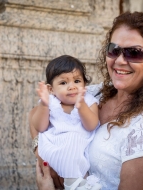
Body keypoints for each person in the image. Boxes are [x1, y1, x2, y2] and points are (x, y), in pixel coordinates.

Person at [30, 11, 143, 190]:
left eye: (134, 53)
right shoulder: (95, 92)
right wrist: (45, 156)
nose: (120, 61)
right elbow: (35, 114)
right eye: (114, 50)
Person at [31, 55, 102, 190]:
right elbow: (40, 127)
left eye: (77, 81)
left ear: (84, 84)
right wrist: (44, 105)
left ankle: (78, 182)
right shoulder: (50, 102)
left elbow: (91, 125)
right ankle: (72, 182)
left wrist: (81, 107)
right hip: (54, 146)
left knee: (74, 145)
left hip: (78, 148)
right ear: (51, 89)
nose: (72, 87)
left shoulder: (88, 101)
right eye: (63, 83)